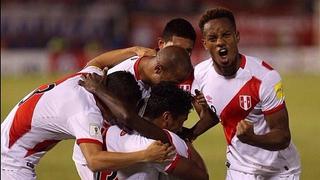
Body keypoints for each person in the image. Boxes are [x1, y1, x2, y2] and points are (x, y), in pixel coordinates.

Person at [183, 7, 301, 179]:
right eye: (213, 38)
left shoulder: (264, 77)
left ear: (237, 36)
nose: (220, 42)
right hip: (239, 169)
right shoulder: (200, 73)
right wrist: (190, 133)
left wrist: (252, 138)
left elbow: (283, 136)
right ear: (205, 44)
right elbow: (218, 112)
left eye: (226, 35)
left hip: (278, 170)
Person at [1, 68, 172, 180]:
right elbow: (94, 160)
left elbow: (100, 61)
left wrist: (134, 50)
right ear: (110, 101)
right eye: (117, 112)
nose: (118, 118)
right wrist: (145, 155)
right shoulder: (86, 113)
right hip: (10, 164)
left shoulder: (89, 76)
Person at [72, 45, 194, 179]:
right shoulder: (124, 77)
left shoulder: (148, 74)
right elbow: (96, 65)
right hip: (97, 144)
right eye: (174, 81)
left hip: (119, 144)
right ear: (158, 69)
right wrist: (98, 89)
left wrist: (134, 50)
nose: (174, 86)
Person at [79, 75, 209, 180]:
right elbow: (202, 176)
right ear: (166, 117)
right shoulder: (155, 148)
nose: (181, 128)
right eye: (181, 122)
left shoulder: (108, 129)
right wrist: (185, 142)